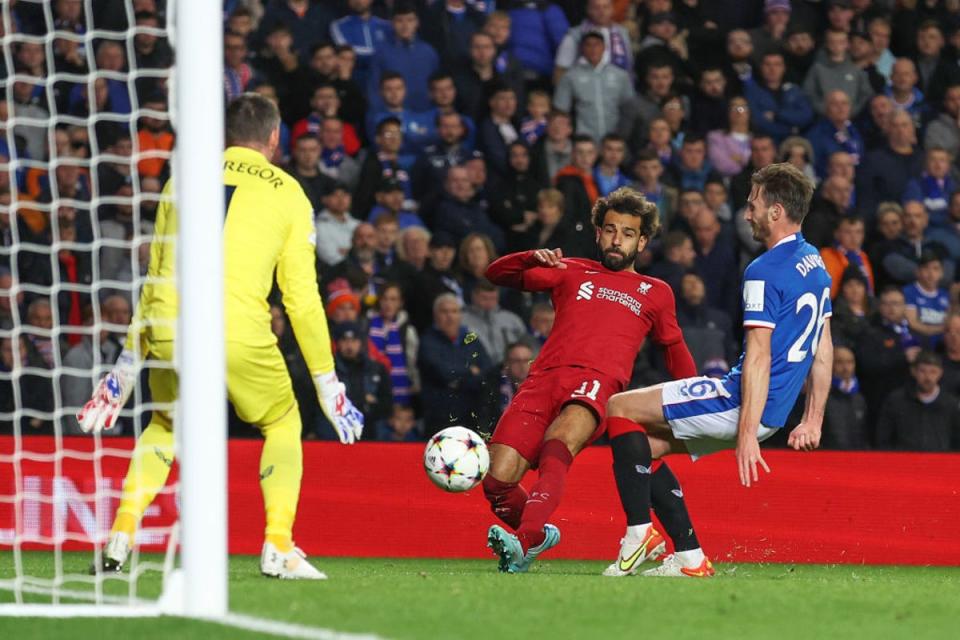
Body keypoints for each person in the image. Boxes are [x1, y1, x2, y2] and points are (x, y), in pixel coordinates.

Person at [77, 93, 364, 579]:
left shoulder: (182, 178)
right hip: (236, 331)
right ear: (274, 139)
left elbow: (153, 275)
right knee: (281, 421)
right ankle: (278, 544)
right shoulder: (290, 193)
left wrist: (125, 366)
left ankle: (122, 535)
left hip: (169, 326)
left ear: (228, 137)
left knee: (165, 425)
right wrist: (328, 382)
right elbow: (301, 298)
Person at [599, 163, 832, 578]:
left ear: (775, 212)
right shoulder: (814, 262)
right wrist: (812, 420)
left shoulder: (763, 271)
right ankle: (690, 560)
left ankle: (639, 534)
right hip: (771, 414)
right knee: (642, 449)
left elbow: (758, 358)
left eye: (753, 204)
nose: (746, 213)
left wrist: (746, 435)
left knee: (619, 407)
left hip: (740, 401)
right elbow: (824, 345)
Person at [482, 188, 699, 575]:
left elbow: (674, 350)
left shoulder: (656, 292)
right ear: (598, 233)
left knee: (558, 443)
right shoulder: (570, 269)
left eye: (628, 233)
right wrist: (531, 256)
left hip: (597, 385)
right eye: (611, 230)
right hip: (542, 380)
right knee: (496, 482)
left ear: (642, 241)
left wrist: (700, 401)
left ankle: (525, 542)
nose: (618, 240)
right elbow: (495, 273)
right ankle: (538, 534)